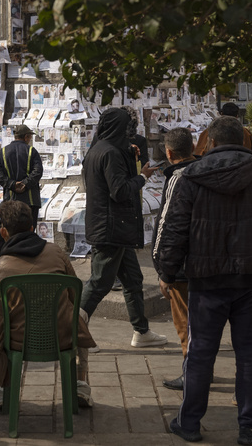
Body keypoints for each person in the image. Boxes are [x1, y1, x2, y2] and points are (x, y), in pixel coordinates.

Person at [155, 116, 252, 445]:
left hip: (207, 279)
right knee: (249, 352)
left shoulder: (190, 177)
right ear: (246, 142)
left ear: (211, 144)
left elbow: (174, 229)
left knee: (201, 351)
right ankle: (249, 426)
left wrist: (167, 272)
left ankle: (189, 422)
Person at [0, 200, 95, 409]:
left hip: (17, 340)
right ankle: (80, 383)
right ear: (33, 228)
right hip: (61, 335)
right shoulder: (57, 252)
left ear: (3, 232)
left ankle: (1, 385)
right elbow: (73, 294)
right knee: (81, 313)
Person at [80, 107, 167, 348]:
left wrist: (131, 156)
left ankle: (141, 331)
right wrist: (143, 176)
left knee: (133, 280)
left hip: (114, 227)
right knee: (99, 282)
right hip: (110, 228)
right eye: (126, 126)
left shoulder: (99, 150)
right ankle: (72, 330)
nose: (131, 131)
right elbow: (119, 191)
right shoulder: (110, 154)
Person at [154, 127, 197, 391]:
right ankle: (200, 368)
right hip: (208, 261)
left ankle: (191, 373)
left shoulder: (177, 178)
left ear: (169, 153)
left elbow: (168, 225)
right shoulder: (205, 172)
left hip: (182, 266)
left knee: (185, 325)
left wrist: (163, 269)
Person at [0, 124, 43, 260]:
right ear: (26, 137)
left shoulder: (2, 152)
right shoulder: (32, 151)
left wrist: (11, 184)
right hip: (30, 200)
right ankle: (23, 255)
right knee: (29, 228)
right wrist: (25, 184)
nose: (30, 139)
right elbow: (37, 171)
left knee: (8, 226)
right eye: (30, 136)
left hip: (11, 199)